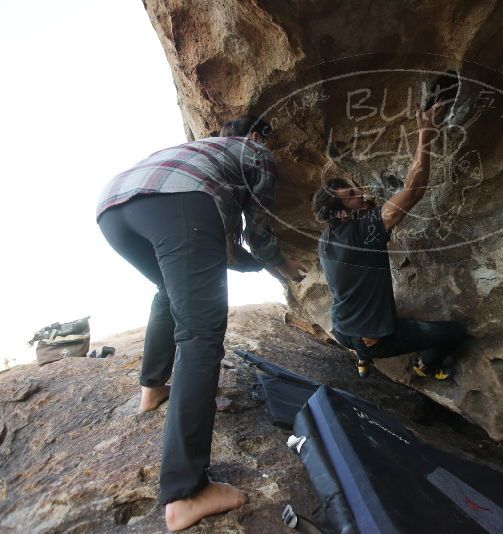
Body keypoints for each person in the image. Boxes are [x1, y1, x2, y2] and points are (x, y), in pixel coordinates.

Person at [96, 115, 306, 531]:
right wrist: (280, 265)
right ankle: (185, 493)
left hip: (113, 207)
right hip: (180, 203)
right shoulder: (255, 152)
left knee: (167, 290)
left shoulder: (195, 153)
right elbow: (257, 230)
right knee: (201, 335)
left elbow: (220, 250)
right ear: (256, 134)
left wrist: (256, 267)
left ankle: (152, 388)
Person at [312, 103, 467, 380]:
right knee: (455, 332)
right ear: (340, 212)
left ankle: (362, 358)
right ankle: (426, 367)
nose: (359, 191)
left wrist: (359, 209)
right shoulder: (364, 231)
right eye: (351, 194)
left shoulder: (326, 238)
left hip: (341, 329)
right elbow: (413, 190)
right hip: (370, 338)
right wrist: (425, 136)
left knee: (360, 331)